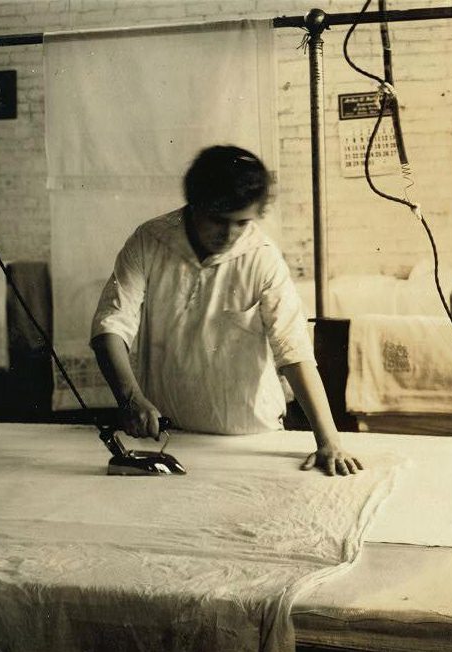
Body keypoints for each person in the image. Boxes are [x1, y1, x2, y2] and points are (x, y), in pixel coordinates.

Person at [90, 145, 361, 476]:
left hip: (251, 438)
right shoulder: (150, 241)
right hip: (169, 437)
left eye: (242, 222)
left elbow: (293, 350)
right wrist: (130, 398)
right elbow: (110, 327)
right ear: (195, 204)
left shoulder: (262, 257)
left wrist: (328, 441)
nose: (230, 234)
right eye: (218, 220)